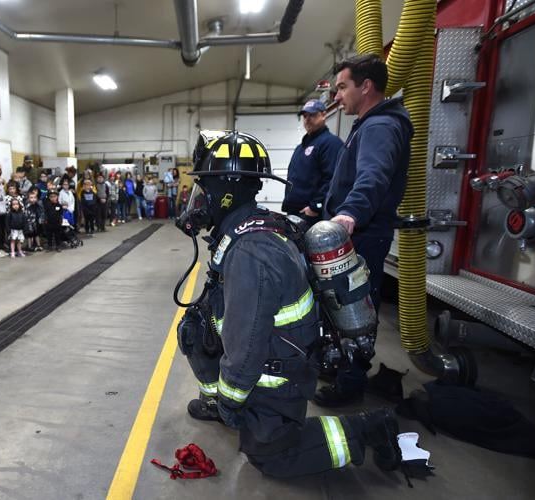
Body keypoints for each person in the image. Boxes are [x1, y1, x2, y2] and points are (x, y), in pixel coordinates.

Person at [175, 130, 401, 480]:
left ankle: (368, 429)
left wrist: (232, 400)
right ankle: (217, 402)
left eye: (205, 189)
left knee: (271, 456)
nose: (199, 199)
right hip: (271, 345)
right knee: (194, 328)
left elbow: (247, 343)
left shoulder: (251, 251)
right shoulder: (245, 228)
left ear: (226, 191)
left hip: (280, 370)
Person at [318, 54, 414, 407]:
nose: (337, 96)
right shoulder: (369, 123)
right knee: (340, 306)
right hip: (360, 234)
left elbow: (374, 176)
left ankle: (351, 383)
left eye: (342, 87)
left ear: (366, 86)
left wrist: (349, 215)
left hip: (363, 236)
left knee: (355, 311)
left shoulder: (379, 127)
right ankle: (340, 366)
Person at [281, 99, 342, 226]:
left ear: (324, 115)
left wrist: (315, 207)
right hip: (295, 213)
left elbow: (331, 178)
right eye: (305, 116)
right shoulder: (300, 147)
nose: (307, 119)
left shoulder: (330, 143)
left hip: (312, 216)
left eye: (312, 115)